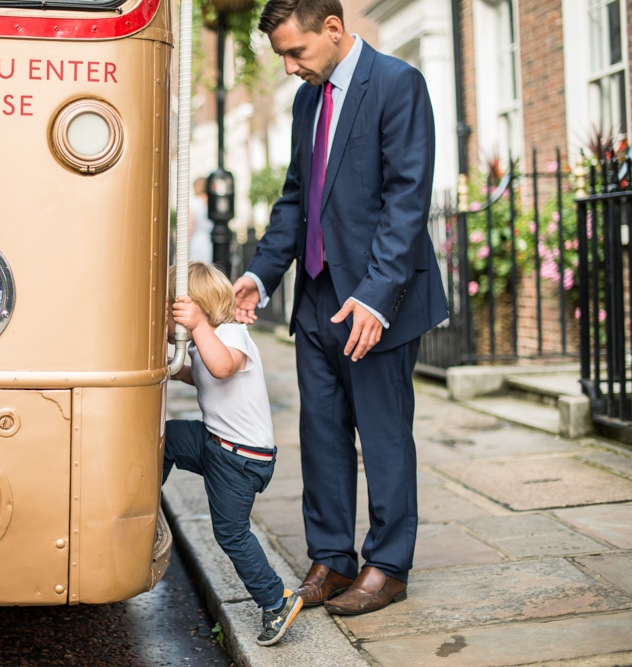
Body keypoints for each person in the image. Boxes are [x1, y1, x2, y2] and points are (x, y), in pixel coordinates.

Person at [231, 0, 449, 616]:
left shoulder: (399, 84)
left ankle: (388, 566)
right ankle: (331, 559)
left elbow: (407, 200)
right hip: (318, 298)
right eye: (281, 57)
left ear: (332, 29)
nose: (289, 67)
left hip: (379, 301)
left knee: (382, 435)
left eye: (295, 52)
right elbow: (296, 200)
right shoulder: (307, 101)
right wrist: (260, 274)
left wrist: (376, 299)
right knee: (321, 433)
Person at [164, 261, 302, 646]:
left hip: (241, 461)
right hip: (214, 443)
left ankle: (276, 600)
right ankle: (145, 512)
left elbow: (222, 367)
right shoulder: (206, 340)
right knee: (167, 438)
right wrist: (177, 370)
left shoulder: (232, 335)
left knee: (231, 533)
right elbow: (204, 373)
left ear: (200, 307)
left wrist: (197, 327)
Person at [188, 177, 214, 263]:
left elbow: (189, 228)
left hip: (197, 242)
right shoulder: (211, 202)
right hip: (210, 242)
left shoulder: (194, 203)